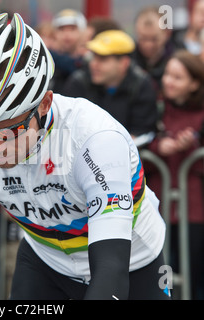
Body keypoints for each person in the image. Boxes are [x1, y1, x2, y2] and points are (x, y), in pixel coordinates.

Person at [0, 13, 169, 300]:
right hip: (46, 261)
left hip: (133, 264)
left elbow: (111, 265)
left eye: (8, 130)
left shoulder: (94, 138)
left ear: (44, 104)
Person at [147, 50, 204, 299]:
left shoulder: (200, 115)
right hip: (157, 206)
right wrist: (159, 148)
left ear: (194, 84)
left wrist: (190, 149)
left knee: (192, 274)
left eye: (178, 77)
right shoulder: (154, 109)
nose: (169, 81)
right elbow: (136, 153)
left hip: (193, 209)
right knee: (162, 274)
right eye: (168, 74)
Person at [64, 30, 158, 142]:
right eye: (94, 56)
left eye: (103, 59)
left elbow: (140, 132)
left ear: (124, 63)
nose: (94, 64)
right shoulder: (78, 82)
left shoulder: (141, 86)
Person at [133, 6, 181, 91]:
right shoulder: (128, 60)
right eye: (143, 38)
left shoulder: (180, 59)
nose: (148, 45)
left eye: (154, 39)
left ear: (167, 33)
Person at [49, 9, 88, 94]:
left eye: (72, 29)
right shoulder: (47, 62)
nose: (67, 34)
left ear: (82, 32)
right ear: (55, 33)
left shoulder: (90, 62)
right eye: (61, 29)